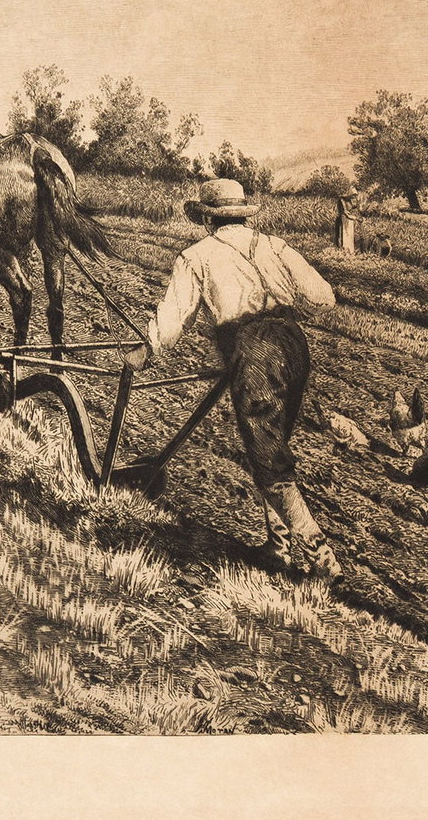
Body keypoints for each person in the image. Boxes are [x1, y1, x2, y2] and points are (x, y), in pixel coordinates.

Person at [124, 178, 342, 577]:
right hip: (294, 345)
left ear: (207, 217)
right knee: (272, 445)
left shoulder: (197, 255)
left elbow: (175, 318)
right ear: (242, 214)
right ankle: (279, 548)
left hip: (255, 352)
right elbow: (324, 295)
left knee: (267, 454)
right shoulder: (273, 244)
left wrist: (147, 350)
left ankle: (320, 556)